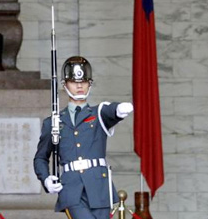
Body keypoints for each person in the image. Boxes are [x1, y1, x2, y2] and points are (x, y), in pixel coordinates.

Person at [33, 56, 134, 219]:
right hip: (72, 190)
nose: (79, 85)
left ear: (90, 84)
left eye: (84, 81)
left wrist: (120, 109)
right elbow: (40, 158)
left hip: (99, 188)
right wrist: (45, 179)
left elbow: (111, 110)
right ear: (65, 85)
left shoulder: (98, 113)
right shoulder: (53, 121)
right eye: (74, 82)